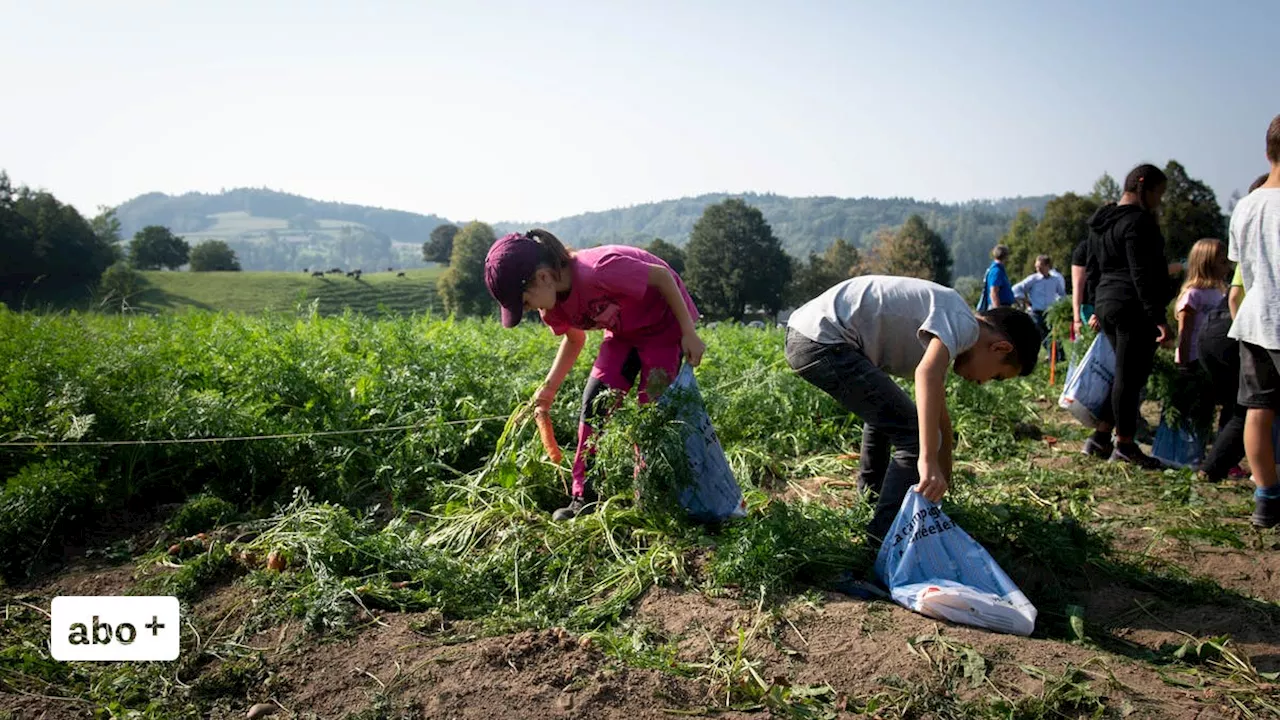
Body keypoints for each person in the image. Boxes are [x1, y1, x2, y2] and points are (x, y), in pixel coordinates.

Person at [784, 275, 1042, 543]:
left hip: (810, 334)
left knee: (888, 417)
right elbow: (926, 375)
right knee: (913, 435)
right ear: (1000, 347)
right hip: (824, 340)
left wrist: (944, 483)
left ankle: (870, 504)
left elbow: (941, 420)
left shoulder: (946, 332)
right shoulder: (964, 324)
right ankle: (881, 543)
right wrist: (927, 460)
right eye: (997, 376)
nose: (984, 382)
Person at [483, 229, 706, 521]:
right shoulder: (552, 307)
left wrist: (688, 332)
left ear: (543, 278)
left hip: (664, 329)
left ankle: (651, 495)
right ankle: (584, 497)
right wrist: (548, 389)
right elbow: (575, 340)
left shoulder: (599, 271)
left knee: (651, 416)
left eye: (524, 302)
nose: (528, 310)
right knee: (594, 405)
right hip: (624, 334)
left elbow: (663, 277)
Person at [1081, 164, 1174, 469]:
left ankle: (1100, 437)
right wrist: (1157, 316)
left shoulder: (1102, 222)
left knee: (1124, 373)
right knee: (1129, 377)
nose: (1159, 200)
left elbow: (1092, 269)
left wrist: (1093, 305)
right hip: (1131, 304)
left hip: (1107, 303)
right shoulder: (1138, 222)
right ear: (1142, 185)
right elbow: (1142, 272)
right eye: (1158, 193)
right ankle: (1125, 445)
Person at [1227, 115, 1280, 528]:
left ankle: (1265, 498)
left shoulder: (1245, 206)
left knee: (1258, 411)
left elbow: (1241, 268)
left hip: (1253, 319)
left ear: (1267, 152)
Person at [1012, 254, 1066, 359]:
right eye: (1036, 267)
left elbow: (1061, 293)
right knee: (1043, 335)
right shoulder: (1033, 279)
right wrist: (1025, 299)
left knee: (1053, 334)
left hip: (1050, 312)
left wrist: (1060, 305)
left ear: (1047, 266)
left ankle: (1060, 357)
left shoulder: (1054, 280)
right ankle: (1053, 356)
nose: (1038, 269)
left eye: (1040, 266)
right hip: (1036, 312)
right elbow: (1016, 289)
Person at [977, 245, 1015, 311]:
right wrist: (998, 310)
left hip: (1004, 307)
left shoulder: (999, 270)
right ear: (1005, 256)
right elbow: (994, 291)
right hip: (1000, 307)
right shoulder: (996, 271)